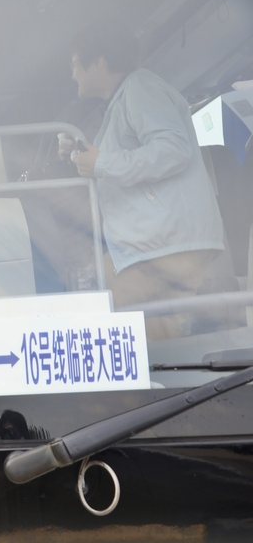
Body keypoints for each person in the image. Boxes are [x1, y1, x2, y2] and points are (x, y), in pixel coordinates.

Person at [61, 22, 226, 338]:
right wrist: (80, 155)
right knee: (156, 333)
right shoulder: (126, 99)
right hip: (161, 242)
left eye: (75, 64)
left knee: (113, 297)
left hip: (166, 243)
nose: (73, 75)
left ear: (98, 62)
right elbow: (124, 161)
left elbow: (173, 148)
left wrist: (102, 163)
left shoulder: (140, 88)